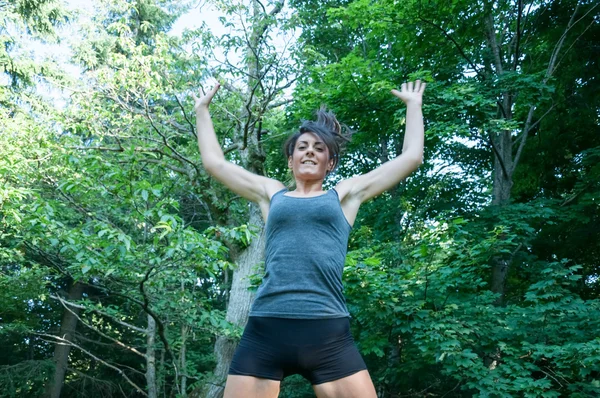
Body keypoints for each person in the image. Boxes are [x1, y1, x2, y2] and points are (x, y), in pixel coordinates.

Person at [193, 80, 426, 398]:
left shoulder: (344, 195)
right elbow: (214, 163)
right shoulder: (270, 193)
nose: (309, 152)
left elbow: (411, 157)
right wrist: (201, 110)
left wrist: (413, 106)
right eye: (302, 147)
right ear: (290, 159)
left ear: (330, 163)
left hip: (327, 329)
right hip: (267, 327)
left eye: (319, 149)